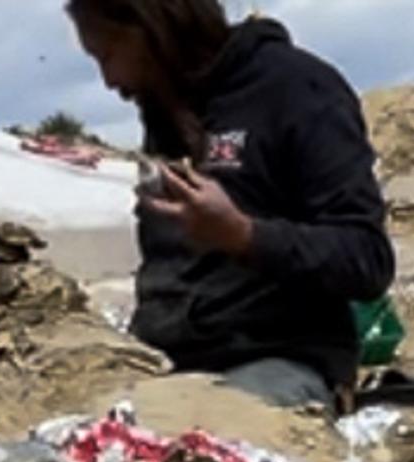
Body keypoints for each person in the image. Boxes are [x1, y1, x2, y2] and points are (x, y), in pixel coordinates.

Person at [67, 0, 394, 412]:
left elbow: (367, 259)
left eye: (109, 54)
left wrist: (244, 236)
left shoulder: (296, 88)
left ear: (153, 27)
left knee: (199, 435)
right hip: (171, 367)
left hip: (279, 362)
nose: (110, 80)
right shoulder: (167, 109)